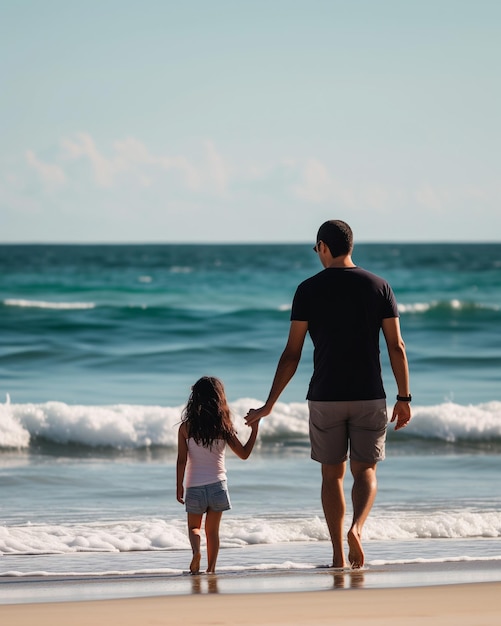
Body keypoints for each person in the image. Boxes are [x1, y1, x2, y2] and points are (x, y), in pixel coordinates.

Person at [246, 220, 411, 569]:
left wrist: (269, 404)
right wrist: (404, 397)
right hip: (369, 394)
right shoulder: (379, 286)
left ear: (323, 246)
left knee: (331, 475)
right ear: (350, 246)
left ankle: (337, 554)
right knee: (365, 471)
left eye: (316, 249)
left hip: (325, 396)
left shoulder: (307, 290)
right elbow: (396, 346)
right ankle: (357, 528)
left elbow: (292, 354)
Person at [177, 376, 260, 574]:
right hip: (218, 486)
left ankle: (196, 552)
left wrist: (179, 486)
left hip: (194, 486)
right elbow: (244, 454)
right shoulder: (224, 428)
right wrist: (255, 429)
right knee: (212, 532)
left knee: (194, 528)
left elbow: (182, 460)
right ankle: (211, 570)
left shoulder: (186, 427)